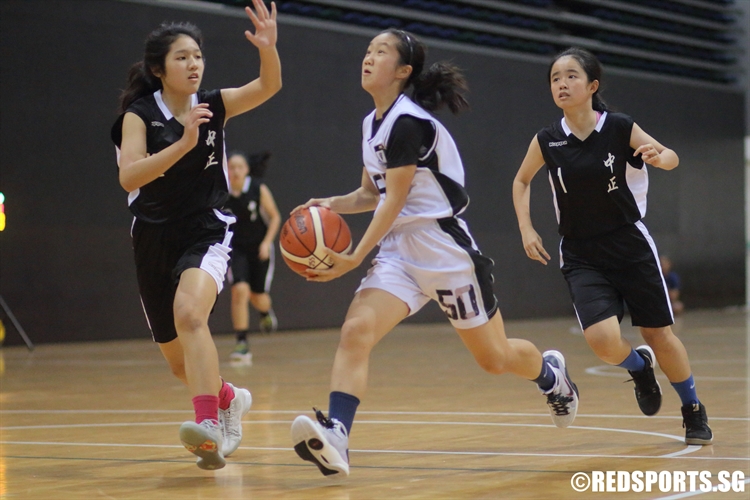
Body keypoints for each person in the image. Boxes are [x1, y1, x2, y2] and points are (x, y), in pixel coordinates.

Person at [289, 28, 579, 478]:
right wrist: (328, 203)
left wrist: (353, 255)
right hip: (400, 251)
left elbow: (396, 199)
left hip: (445, 250)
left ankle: (550, 374)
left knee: (494, 359)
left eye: (380, 52)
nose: (368, 58)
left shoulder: (408, 123)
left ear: (403, 71)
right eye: (367, 51)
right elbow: (373, 192)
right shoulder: (373, 124)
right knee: (356, 331)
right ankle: (338, 436)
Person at [110, 0, 282, 470]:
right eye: (182, 57)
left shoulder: (214, 105)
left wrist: (267, 49)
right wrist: (184, 142)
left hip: (207, 228)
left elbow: (269, 85)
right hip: (152, 238)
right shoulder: (140, 115)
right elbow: (130, 178)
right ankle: (228, 397)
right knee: (180, 364)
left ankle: (208, 424)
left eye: (198, 56)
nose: (193, 64)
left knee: (190, 315)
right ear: (158, 68)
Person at [511, 47, 711, 445]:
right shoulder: (548, 140)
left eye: (570, 76)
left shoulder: (619, 127)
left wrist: (659, 156)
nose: (562, 83)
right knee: (601, 341)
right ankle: (639, 369)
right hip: (581, 251)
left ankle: (692, 408)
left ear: (592, 85)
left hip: (629, 243)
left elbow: (671, 157)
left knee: (659, 335)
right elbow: (520, 181)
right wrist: (526, 229)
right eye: (555, 78)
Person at [225, 151, 281, 365]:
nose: (235, 171)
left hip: (259, 247)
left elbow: (275, 216)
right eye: (231, 167)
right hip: (235, 248)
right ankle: (241, 343)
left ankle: (265, 311)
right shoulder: (222, 192)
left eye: (240, 167)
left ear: (247, 170)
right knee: (239, 290)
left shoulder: (258, 189)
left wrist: (267, 242)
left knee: (258, 297)